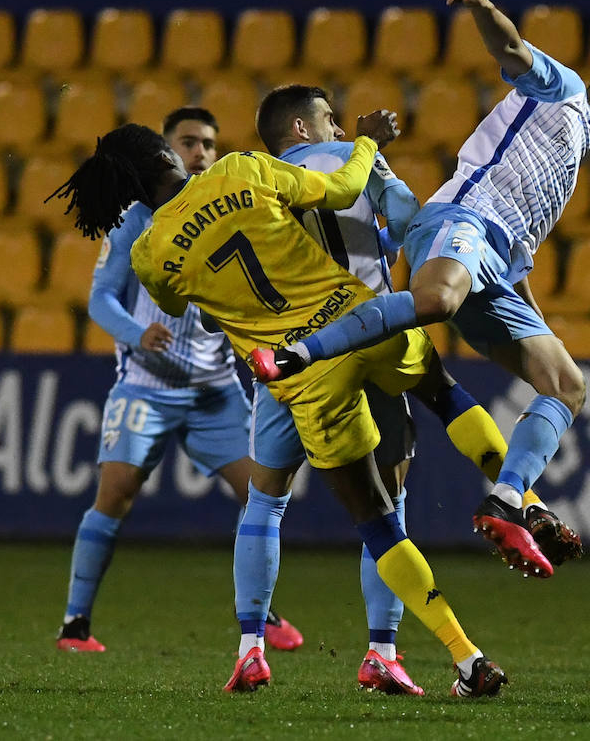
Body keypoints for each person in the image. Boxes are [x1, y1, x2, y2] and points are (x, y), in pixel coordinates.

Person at [49, 118, 508, 699]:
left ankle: (459, 656)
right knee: (445, 399)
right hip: (360, 319)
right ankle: (521, 495)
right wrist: (365, 142)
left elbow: (183, 298)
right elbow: (342, 190)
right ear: (168, 152)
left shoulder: (150, 255)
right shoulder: (240, 167)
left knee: (359, 521)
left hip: (299, 375)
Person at [248, 0, 590, 578]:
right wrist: (482, 6)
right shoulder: (566, 94)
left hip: (495, 261)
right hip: (461, 219)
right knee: (436, 300)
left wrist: (535, 324)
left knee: (567, 385)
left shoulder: (561, 171)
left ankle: (507, 500)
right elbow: (512, 50)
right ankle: (297, 354)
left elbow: (514, 265)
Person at [235, 84, 561, 695]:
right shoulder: (355, 158)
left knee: (266, 501)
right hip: (371, 330)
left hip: (295, 359)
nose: (337, 129)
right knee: (399, 487)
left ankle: (251, 644)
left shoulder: (254, 186)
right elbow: (411, 223)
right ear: (303, 130)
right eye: (329, 120)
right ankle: (388, 644)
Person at [53, 106, 301, 654]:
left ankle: (259, 613)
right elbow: (101, 299)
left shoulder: (223, 198)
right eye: (189, 142)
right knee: (115, 494)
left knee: (261, 495)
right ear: (165, 150)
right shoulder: (131, 221)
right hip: (147, 386)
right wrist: (137, 334)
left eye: (209, 143)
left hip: (214, 389)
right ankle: (75, 624)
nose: (201, 152)